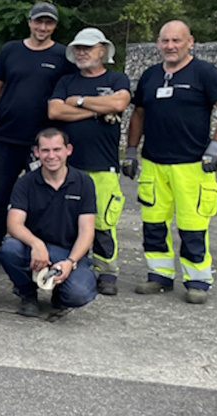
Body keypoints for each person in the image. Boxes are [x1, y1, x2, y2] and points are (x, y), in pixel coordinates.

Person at [123, 20, 217, 305]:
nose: (170, 46)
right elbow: (138, 114)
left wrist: (215, 147)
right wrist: (130, 150)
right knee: (153, 224)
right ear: (158, 44)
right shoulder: (150, 76)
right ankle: (159, 276)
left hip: (192, 166)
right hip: (153, 164)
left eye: (177, 40)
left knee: (192, 226)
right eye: (165, 41)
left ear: (190, 42)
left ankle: (197, 281)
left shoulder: (204, 73)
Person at [0, 2, 75, 238]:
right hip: (6, 137)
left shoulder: (63, 56)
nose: (43, 27)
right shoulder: (10, 50)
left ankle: (38, 245)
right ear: (30, 22)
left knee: (44, 194)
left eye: (49, 22)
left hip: (44, 140)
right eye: (38, 21)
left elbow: (70, 94)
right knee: (1, 194)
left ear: (54, 26)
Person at [47, 27, 131, 296]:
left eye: (89, 47)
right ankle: (74, 264)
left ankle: (107, 272)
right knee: (66, 219)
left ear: (102, 50)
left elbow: (119, 104)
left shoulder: (117, 78)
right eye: (79, 48)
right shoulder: (66, 81)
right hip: (67, 164)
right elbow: (55, 110)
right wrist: (96, 110)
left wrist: (80, 101)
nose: (83, 52)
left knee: (103, 221)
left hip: (103, 164)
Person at [0, 128, 98, 317]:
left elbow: (87, 231)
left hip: (69, 252)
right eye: (45, 150)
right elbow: (14, 224)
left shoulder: (84, 182)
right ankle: (27, 294)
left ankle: (62, 293)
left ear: (68, 150)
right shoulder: (25, 183)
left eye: (57, 149)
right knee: (9, 249)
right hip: (34, 250)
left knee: (79, 293)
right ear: (36, 152)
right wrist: (37, 244)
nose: (51, 156)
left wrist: (70, 262)